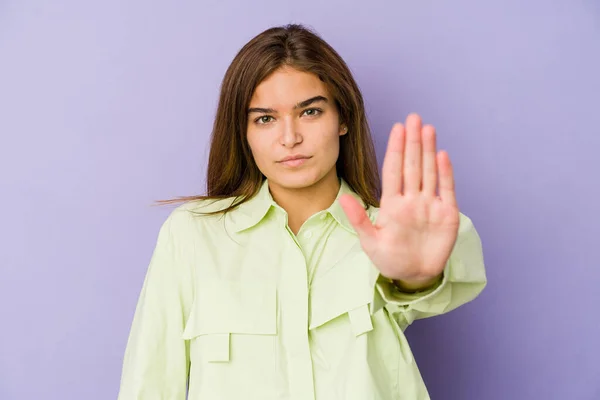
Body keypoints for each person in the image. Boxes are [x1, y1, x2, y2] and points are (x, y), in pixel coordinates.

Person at [116, 23, 487, 400]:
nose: (290, 138)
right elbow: (148, 385)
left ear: (342, 118)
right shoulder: (192, 235)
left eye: (310, 112)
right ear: (242, 133)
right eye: (265, 118)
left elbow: (454, 273)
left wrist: (414, 279)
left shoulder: (388, 233)